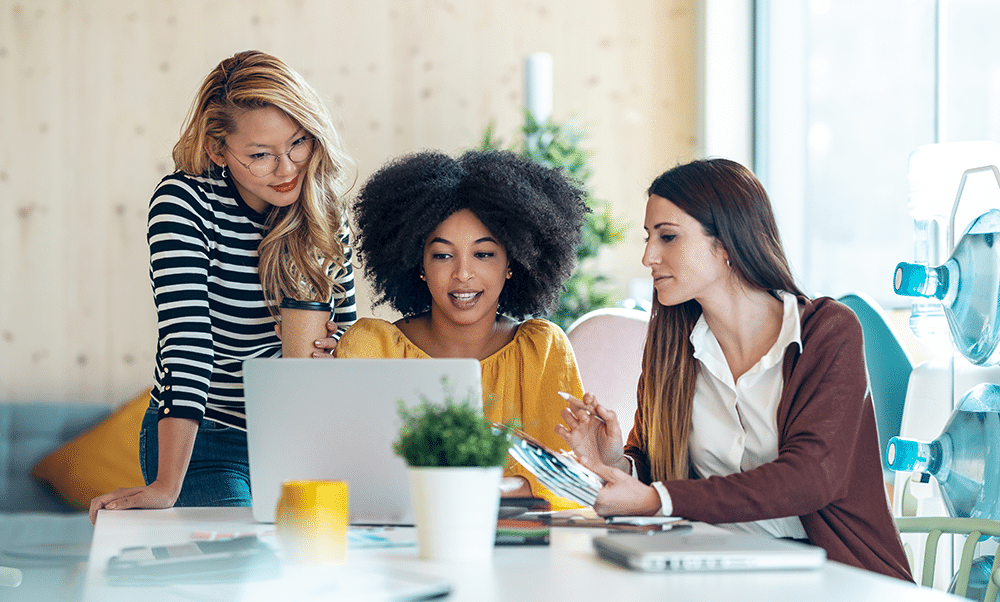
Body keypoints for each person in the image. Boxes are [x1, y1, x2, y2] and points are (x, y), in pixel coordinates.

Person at [556, 158, 913, 580]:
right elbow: (661, 476)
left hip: (836, 576)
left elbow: (812, 477)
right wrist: (617, 462)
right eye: (649, 238)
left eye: (667, 237)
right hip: (712, 568)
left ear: (726, 243)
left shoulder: (827, 332)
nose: (648, 256)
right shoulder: (670, 349)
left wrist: (657, 500)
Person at [89, 51, 357, 524]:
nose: (287, 167)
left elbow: (352, 342)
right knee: (240, 576)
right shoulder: (185, 202)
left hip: (298, 438)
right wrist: (167, 485)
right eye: (260, 155)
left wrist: (335, 351)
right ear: (218, 150)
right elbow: (187, 341)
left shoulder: (325, 215)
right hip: (208, 437)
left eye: (298, 143)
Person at [335, 149, 588, 510]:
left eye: (483, 254)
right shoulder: (373, 347)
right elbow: (345, 472)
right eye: (442, 255)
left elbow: (568, 482)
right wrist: (505, 487)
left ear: (512, 264)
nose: (463, 274)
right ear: (418, 264)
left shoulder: (542, 350)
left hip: (519, 554)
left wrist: (475, 492)